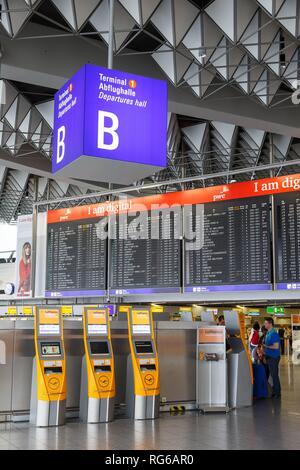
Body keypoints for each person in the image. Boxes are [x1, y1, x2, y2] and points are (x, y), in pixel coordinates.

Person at [263, 317, 281, 399]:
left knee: (274, 375)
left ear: (270, 324)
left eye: (266, 323)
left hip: (274, 357)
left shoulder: (274, 333)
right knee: (271, 376)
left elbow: (276, 346)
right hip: (269, 357)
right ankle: (274, 391)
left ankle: (277, 393)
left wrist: (266, 346)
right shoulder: (268, 333)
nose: (264, 324)